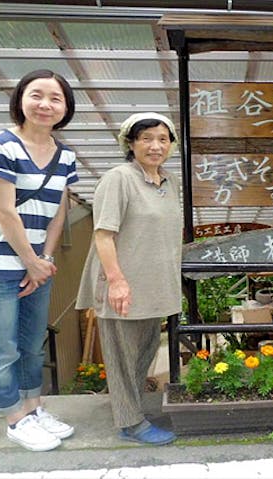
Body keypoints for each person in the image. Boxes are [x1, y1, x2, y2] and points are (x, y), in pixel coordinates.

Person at [0, 69, 77, 452]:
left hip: (36, 264)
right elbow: (5, 211)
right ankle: (14, 418)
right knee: (1, 348)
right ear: (21, 99)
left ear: (65, 107)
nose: (45, 104)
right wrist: (31, 262)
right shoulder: (2, 144)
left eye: (55, 98)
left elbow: (58, 211)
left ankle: (33, 407)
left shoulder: (65, 155)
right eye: (37, 95)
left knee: (31, 345)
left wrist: (43, 259)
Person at [75, 113, 181, 445]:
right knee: (123, 356)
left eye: (163, 139)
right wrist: (117, 281)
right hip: (123, 284)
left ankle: (131, 410)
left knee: (145, 351)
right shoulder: (118, 178)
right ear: (130, 143)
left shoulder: (169, 181)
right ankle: (130, 422)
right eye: (147, 138)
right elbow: (103, 236)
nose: (155, 146)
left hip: (154, 284)